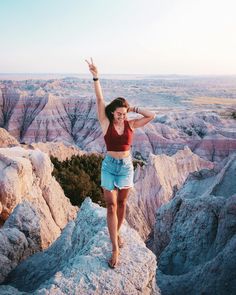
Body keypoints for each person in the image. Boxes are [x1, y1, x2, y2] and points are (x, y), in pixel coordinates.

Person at [85, 58, 155, 268]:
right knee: (111, 205)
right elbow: (99, 100)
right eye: (119, 114)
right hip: (109, 166)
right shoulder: (106, 122)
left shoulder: (131, 124)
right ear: (112, 113)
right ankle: (115, 249)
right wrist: (96, 76)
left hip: (125, 168)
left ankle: (116, 234)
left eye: (124, 114)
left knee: (123, 203)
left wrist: (132, 107)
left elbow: (152, 115)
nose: (121, 117)